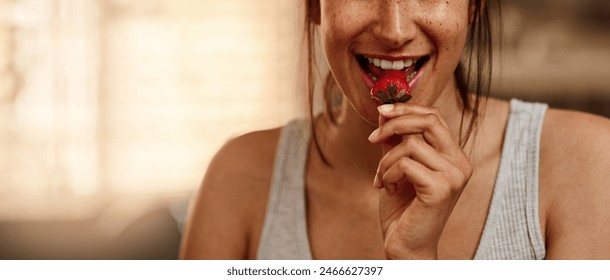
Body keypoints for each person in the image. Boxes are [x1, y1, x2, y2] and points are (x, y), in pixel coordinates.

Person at [180, 0, 610, 260]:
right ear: (314, 5)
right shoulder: (237, 180)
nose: (394, 30)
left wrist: (415, 260)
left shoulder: (587, 165)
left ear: (473, 5)